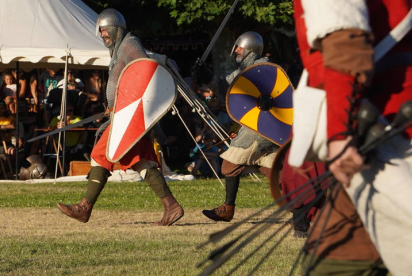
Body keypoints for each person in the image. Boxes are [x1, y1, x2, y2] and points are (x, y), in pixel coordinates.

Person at [292, 0, 412, 275]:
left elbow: (343, 37)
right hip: (382, 131)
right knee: (335, 256)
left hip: (389, 132)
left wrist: (339, 132)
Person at [56, 9, 184, 226]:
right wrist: (115, 106)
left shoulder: (130, 45)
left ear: (116, 28)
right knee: (141, 161)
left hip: (131, 117)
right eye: (101, 32)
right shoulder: (119, 49)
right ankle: (171, 206)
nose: (103, 35)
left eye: (105, 31)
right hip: (125, 115)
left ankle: (84, 207)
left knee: (100, 154)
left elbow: (145, 75)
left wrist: (126, 108)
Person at [199, 32, 280, 222]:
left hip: (261, 127)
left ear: (250, 50)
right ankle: (304, 207)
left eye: (239, 48)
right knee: (273, 171)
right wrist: (206, 75)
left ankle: (227, 208)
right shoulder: (245, 70)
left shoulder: (262, 68)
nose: (236, 50)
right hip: (256, 127)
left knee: (230, 164)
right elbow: (223, 87)